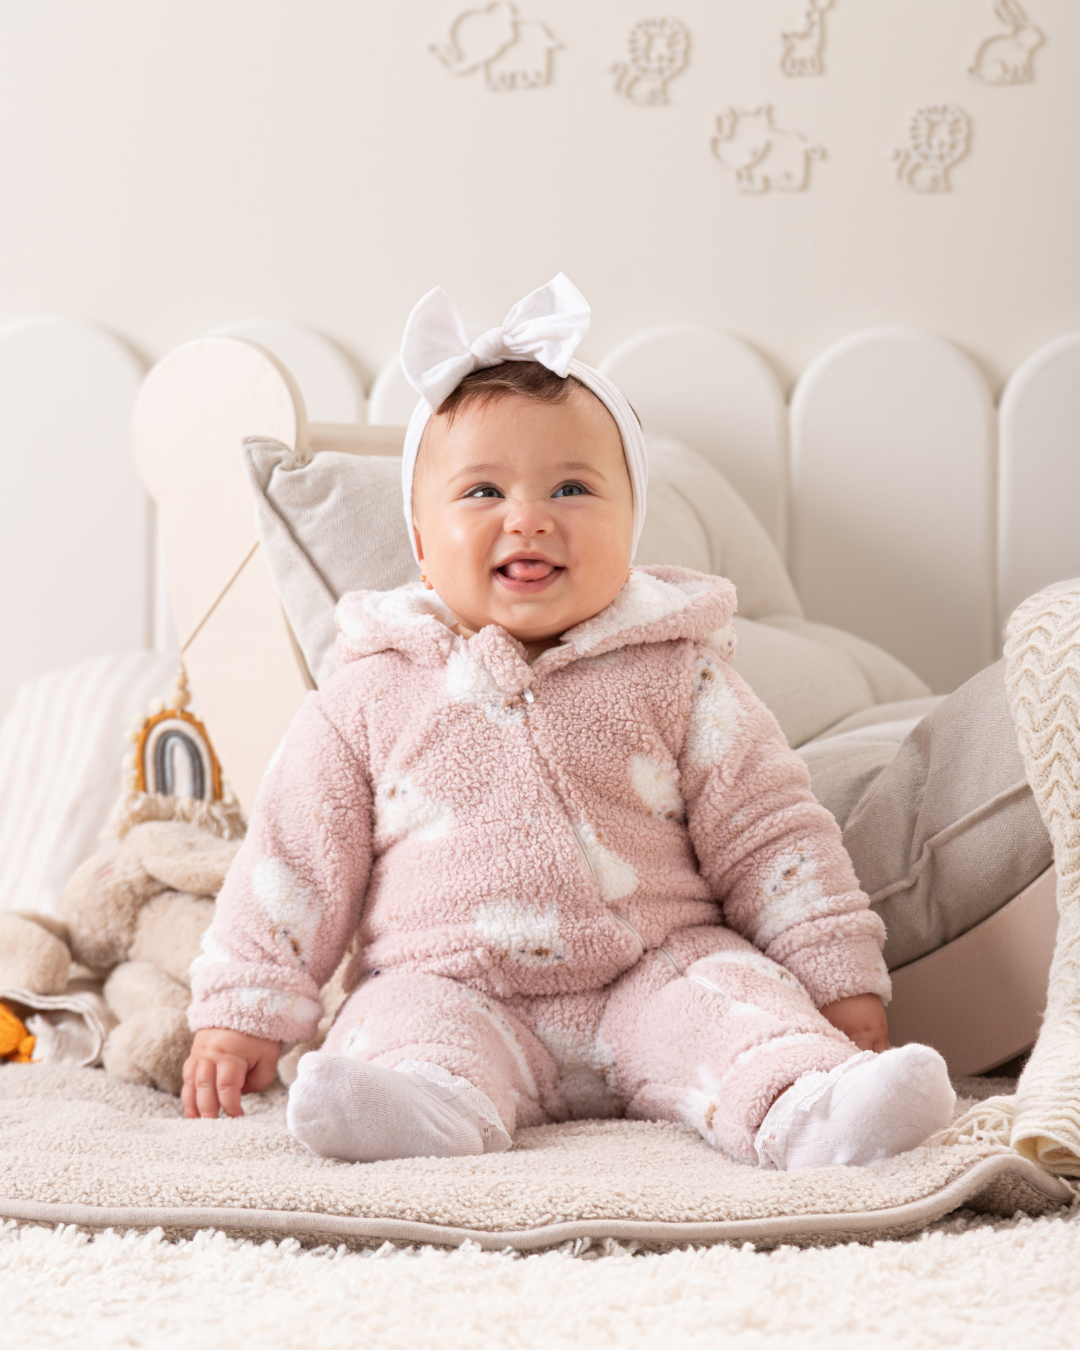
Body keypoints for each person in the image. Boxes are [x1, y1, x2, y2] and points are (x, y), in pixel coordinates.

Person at [182, 276, 955, 1170]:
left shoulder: (678, 673)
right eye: (482, 491)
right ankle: (418, 1107)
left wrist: (835, 976)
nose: (529, 518)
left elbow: (769, 831)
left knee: (741, 1006)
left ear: (630, 533)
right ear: (422, 547)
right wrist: (242, 1011)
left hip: (655, 967)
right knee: (398, 1024)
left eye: (574, 488)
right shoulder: (367, 694)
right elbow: (292, 857)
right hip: (449, 977)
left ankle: (814, 1103)